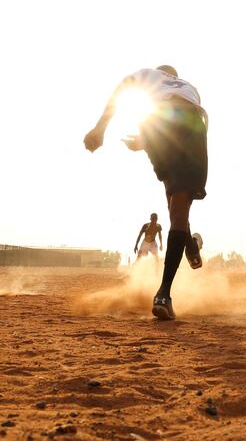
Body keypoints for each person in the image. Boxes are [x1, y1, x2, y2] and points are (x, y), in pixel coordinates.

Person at [84, 65, 207, 320]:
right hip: (192, 124)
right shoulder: (189, 87)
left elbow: (122, 89)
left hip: (155, 122)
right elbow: (183, 118)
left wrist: (101, 128)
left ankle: (185, 255)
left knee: (174, 203)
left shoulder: (149, 74)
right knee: (180, 206)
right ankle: (166, 289)